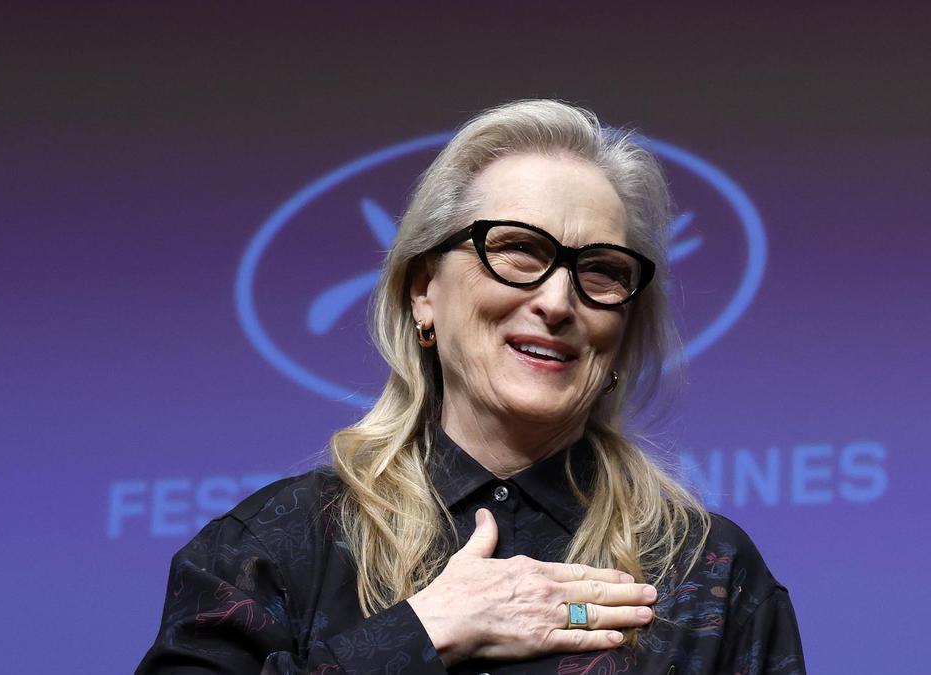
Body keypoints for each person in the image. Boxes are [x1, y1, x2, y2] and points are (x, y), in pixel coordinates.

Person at [137, 99, 805, 674]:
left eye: (600, 270)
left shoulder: (709, 575)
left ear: (626, 325)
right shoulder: (267, 550)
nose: (558, 300)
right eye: (518, 249)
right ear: (424, 289)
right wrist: (420, 633)